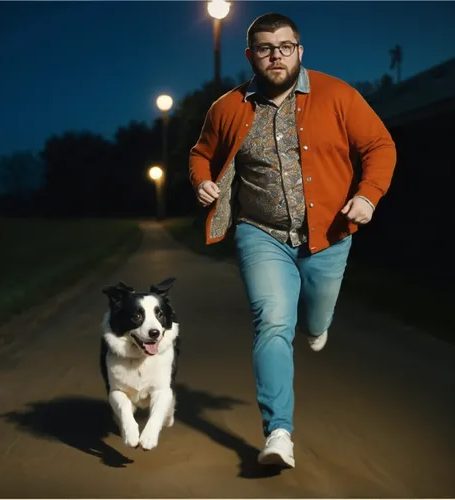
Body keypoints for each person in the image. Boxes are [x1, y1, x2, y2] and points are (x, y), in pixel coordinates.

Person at [188, 12, 396, 468]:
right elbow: (201, 152)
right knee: (272, 321)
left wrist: (368, 195)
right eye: (265, 48)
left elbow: (380, 146)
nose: (276, 55)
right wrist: (201, 180)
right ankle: (278, 433)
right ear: (251, 56)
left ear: (300, 51)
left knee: (315, 315)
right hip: (259, 232)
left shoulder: (338, 94)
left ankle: (317, 325)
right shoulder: (227, 107)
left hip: (330, 236)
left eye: (286, 46)